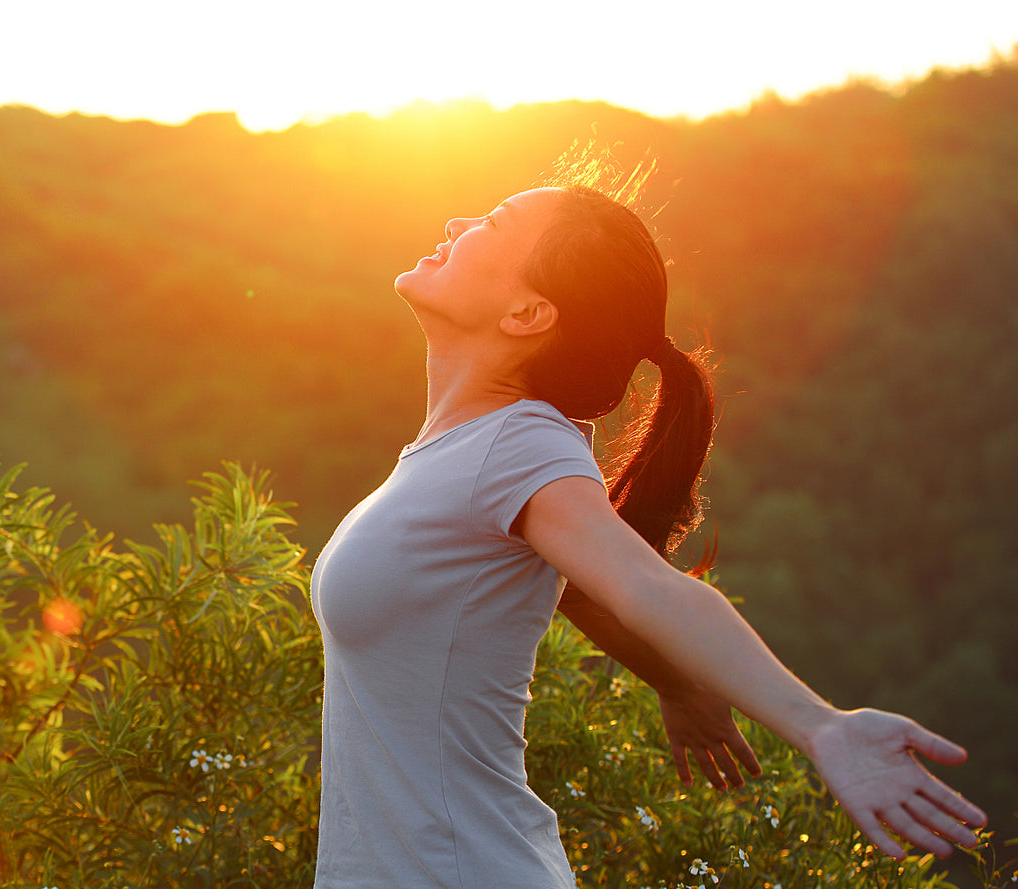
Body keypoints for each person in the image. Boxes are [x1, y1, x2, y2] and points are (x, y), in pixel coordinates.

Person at [308, 165, 987, 888]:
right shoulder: (467, 453)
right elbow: (570, 586)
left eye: (492, 225)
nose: (455, 225)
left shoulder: (520, 447)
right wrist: (671, 677)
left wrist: (821, 725)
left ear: (528, 314)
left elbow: (643, 584)